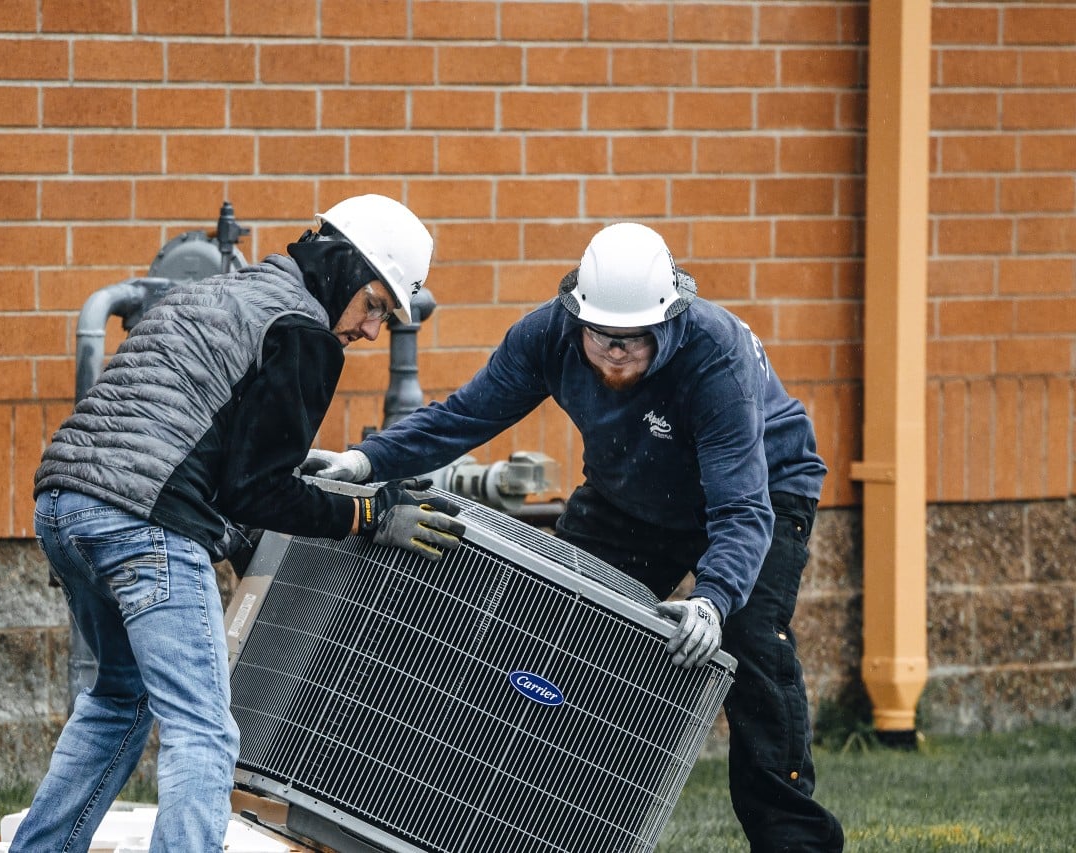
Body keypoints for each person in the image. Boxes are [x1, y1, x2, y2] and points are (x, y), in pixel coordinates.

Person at [304, 222, 846, 852]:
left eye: (632, 342)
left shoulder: (715, 354)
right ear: (576, 316)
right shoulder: (548, 335)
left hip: (761, 490)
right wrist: (368, 461)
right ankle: (525, 823)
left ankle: (795, 844)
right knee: (550, 631)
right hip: (630, 493)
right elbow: (463, 416)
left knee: (752, 650)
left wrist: (713, 598)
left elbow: (741, 506)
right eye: (601, 339)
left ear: (667, 322)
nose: (615, 355)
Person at [13, 194, 466, 853]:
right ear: (344, 268)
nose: (372, 331)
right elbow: (258, 490)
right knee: (204, 729)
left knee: (118, 701)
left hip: (63, 504)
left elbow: (216, 459)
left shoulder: (235, 291)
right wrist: (368, 513)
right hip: (145, 519)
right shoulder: (305, 332)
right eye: (374, 304)